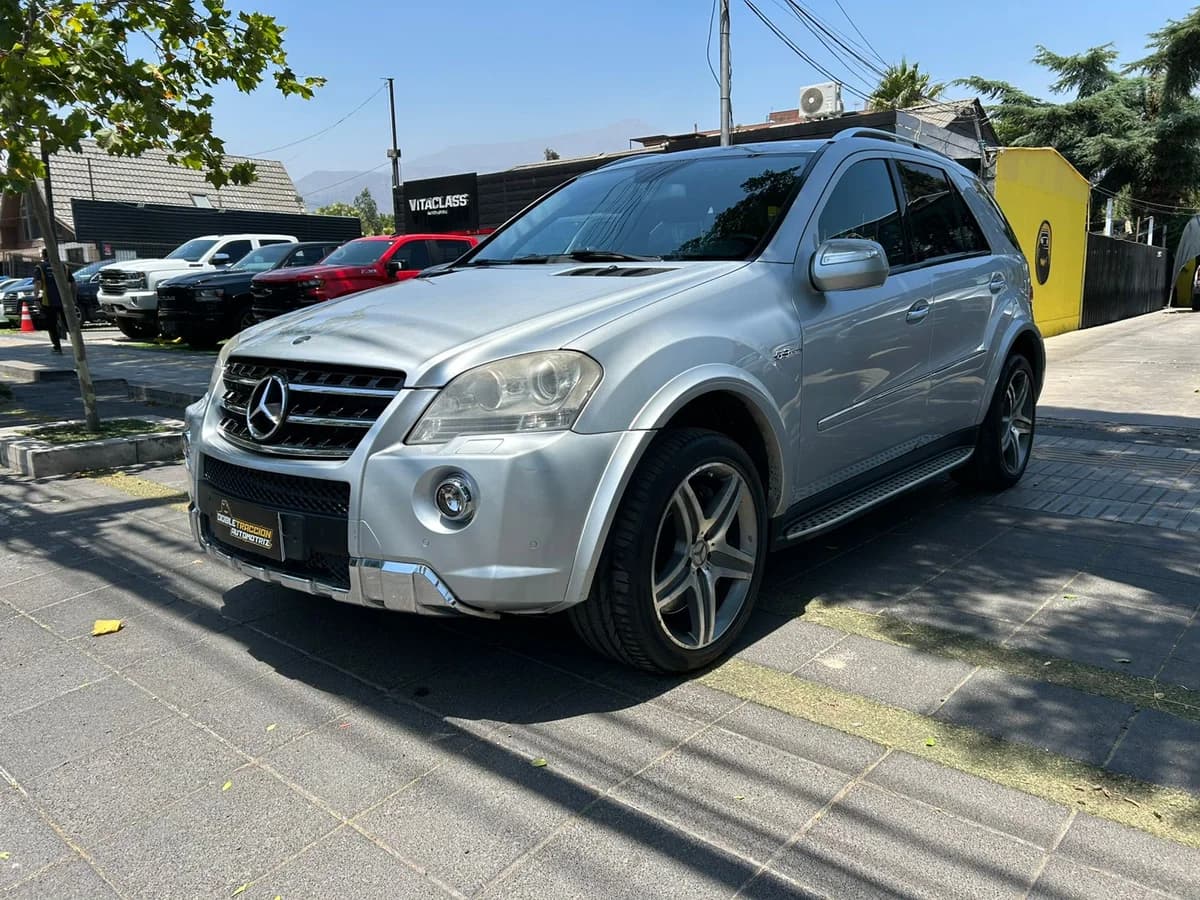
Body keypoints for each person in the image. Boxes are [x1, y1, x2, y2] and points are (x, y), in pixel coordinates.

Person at [33, 249, 73, 355]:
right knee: (68, 323)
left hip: (48, 301)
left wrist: (36, 298)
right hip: (64, 300)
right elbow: (71, 283)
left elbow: (38, 283)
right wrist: (70, 298)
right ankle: (77, 344)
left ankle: (57, 347)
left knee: (52, 325)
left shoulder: (40, 267)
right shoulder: (64, 267)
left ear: (43, 256)